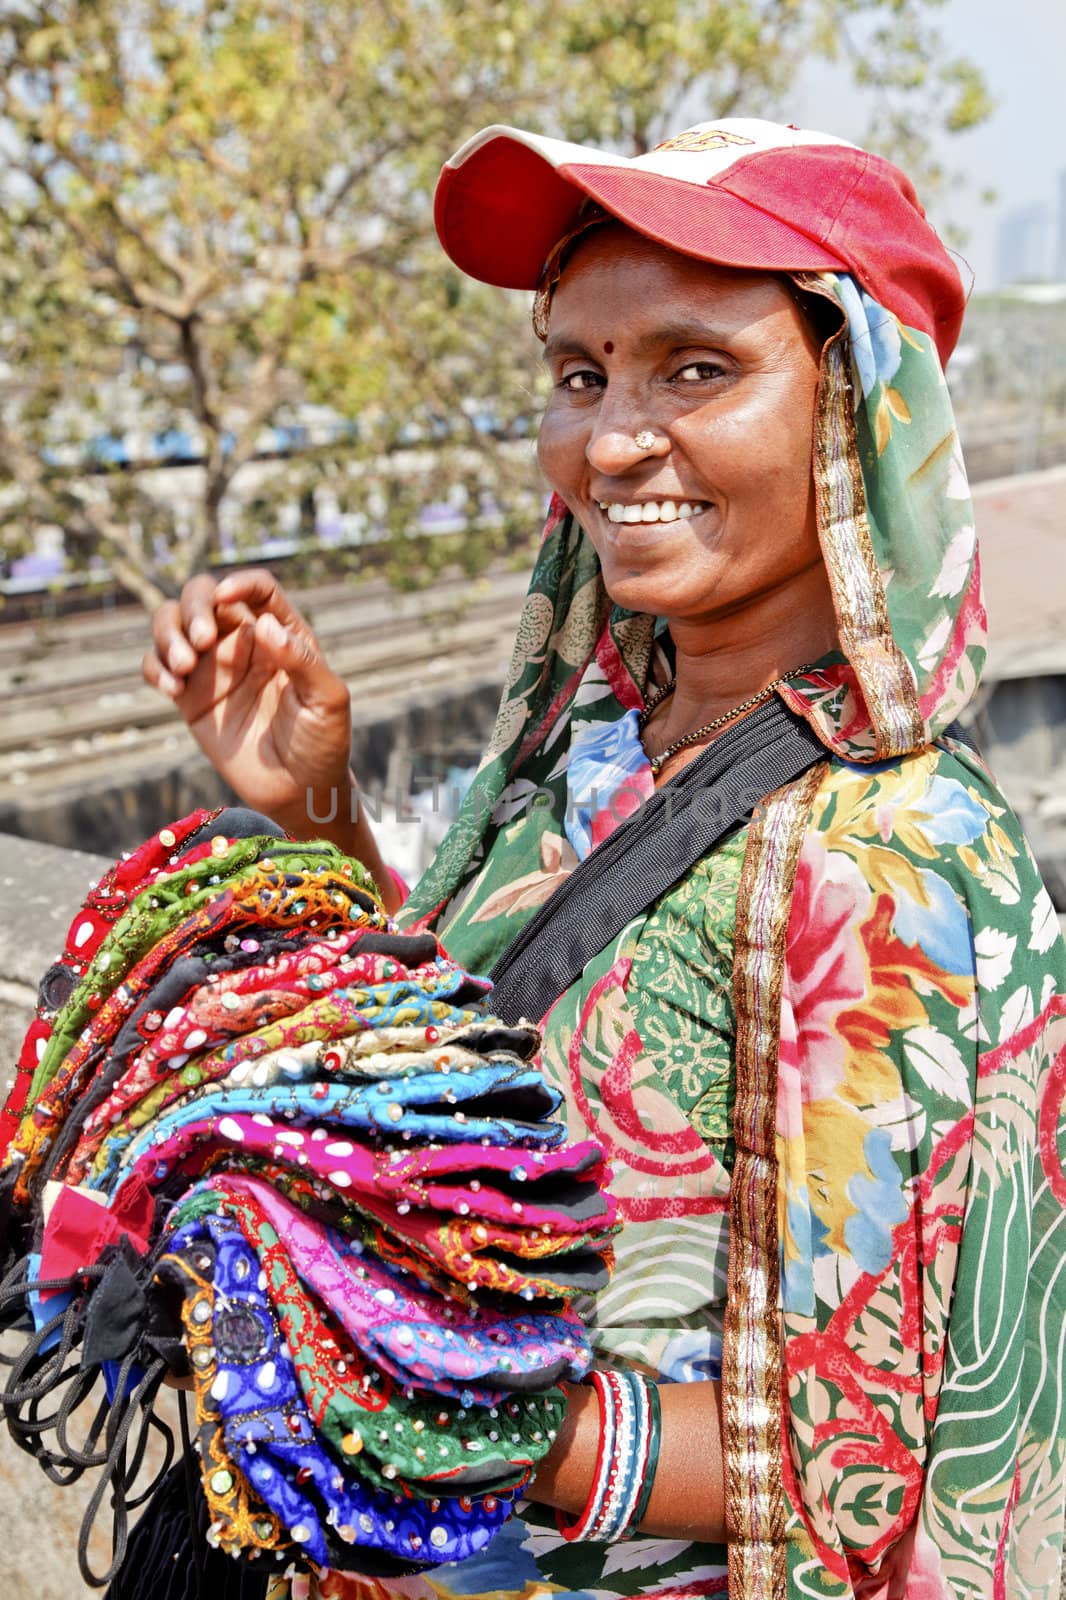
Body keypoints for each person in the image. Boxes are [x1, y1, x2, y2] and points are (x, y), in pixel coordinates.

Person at [142, 118, 1066, 1599]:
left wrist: (415, 1384)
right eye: (578, 374)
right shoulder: (578, 768)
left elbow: (848, 1459)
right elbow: (467, 1083)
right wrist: (313, 806)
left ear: (856, 413)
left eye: (694, 369)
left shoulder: (880, 862)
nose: (610, 438)